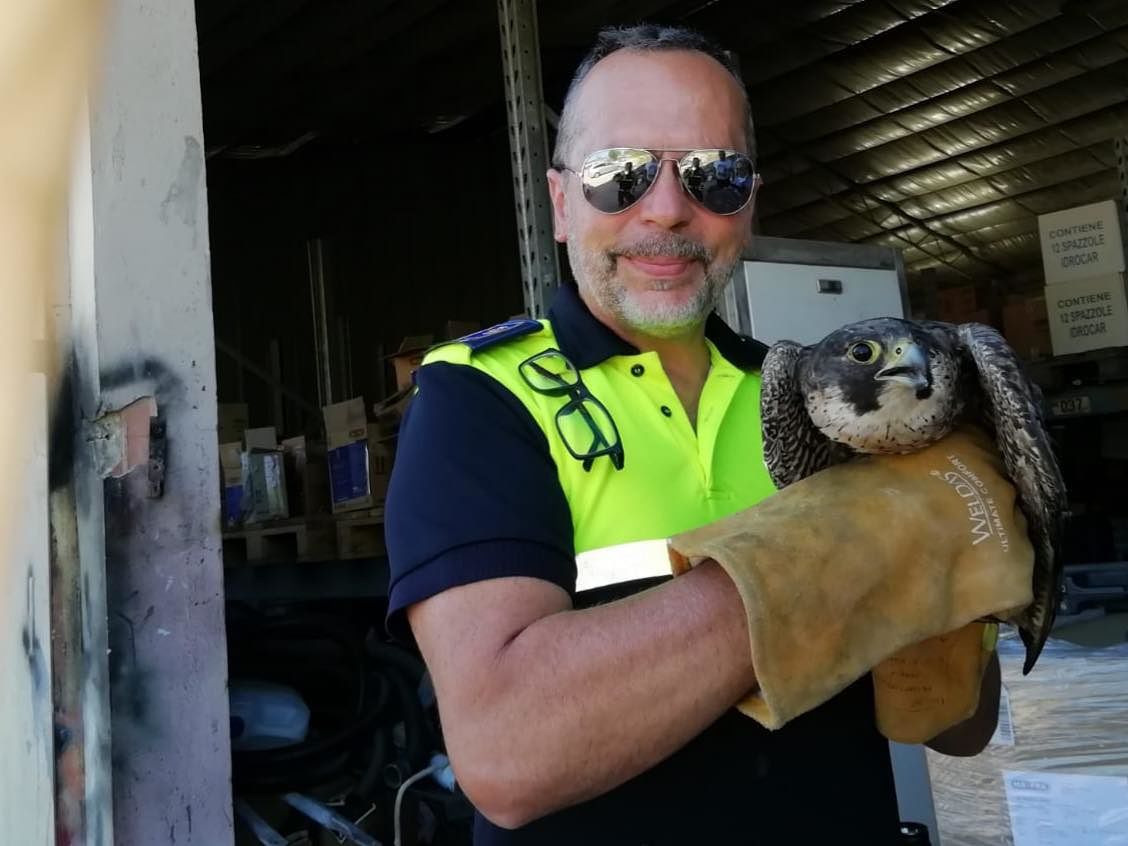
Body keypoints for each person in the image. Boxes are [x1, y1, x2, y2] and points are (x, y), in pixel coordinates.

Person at [385, 24, 1012, 845]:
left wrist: (956, 579)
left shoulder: (821, 395)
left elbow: (958, 725)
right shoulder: (479, 397)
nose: (670, 210)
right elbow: (509, 755)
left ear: (748, 204)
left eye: (717, 175)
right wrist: (831, 550)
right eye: (621, 174)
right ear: (562, 201)